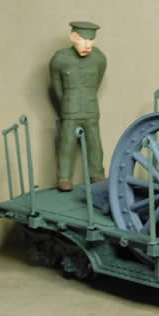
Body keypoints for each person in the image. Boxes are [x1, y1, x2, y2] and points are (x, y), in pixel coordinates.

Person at [50, 21, 107, 191]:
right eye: (83, 39)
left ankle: (97, 174)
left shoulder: (99, 58)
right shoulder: (60, 59)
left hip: (90, 108)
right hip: (70, 109)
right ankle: (64, 178)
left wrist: (87, 97)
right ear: (73, 37)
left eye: (91, 40)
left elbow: (96, 82)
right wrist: (67, 102)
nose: (87, 45)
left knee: (95, 143)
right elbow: (57, 85)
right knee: (66, 144)